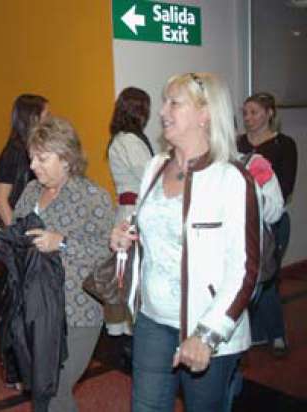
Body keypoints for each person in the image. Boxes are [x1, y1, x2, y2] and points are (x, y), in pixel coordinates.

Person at [110, 73, 261, 412]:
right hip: (151, 320)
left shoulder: (232, 178)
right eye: (164, 101)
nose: (163, 111)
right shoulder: (155, 165)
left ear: (205, 114)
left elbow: (245, 270)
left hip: (205, 328)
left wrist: (207, 334)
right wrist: (125, 235)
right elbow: (147, 225)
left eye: (174, 103)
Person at [12, 116, 114, 411]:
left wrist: (63, 242)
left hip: (75, 311)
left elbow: (107, 253)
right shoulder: (32, 190)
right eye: (32, 157)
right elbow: (20, 231)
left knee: (54, 389)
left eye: (42, 158)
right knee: (43, 390)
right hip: (33, 306)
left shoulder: (93, 198)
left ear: (67, 158)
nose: (33, 166)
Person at [238, 92, 298, 356]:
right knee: (249, 277)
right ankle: (258, 333)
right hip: (242, 220)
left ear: (270, 113)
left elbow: (285, 188)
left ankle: (277, 335)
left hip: (272, 220)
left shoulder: (284, 145)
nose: (248, 118)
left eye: (254, 112)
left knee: (269, 276)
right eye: (246, 113)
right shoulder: (237, 144)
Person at [0, 94, 49, 226]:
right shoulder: (13, 152)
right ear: (33, 118)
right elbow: (0, 200)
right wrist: (16, 233)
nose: (50, 120)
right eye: (47, 115)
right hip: (19, 224)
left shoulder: (37, 148)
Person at [107, 87, 154, 223]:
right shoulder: (129, 140)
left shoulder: (122, 139)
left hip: (130, 208)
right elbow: (149, 175)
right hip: (135, 210)